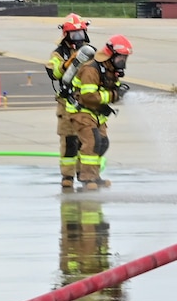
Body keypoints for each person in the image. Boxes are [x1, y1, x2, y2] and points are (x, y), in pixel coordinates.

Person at [64, 33, 130, 190]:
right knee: (92, 142)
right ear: (111, 55)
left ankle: (94, 175)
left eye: (124, 58)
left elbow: (108, 90)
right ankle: (87, 179)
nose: (123, 62)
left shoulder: (110, 69)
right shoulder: (91, 70)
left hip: (96, 113)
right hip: (81, 111)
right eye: (121, 57)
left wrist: (118, 90)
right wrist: (114, 94)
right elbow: (88, 96)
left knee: (103, 143)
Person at [47, 14, 90, 189]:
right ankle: (67, 176)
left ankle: (86, 175)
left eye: (80, 33)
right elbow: (55, 73)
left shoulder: (89, 50)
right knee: (69, 141)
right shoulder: (58, 53)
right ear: (67, 35)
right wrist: (69, 62)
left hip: (85, 101)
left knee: (87, 140)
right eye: (74, 34)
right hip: (66, 103)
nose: (78, 38)